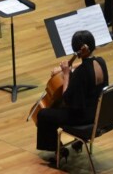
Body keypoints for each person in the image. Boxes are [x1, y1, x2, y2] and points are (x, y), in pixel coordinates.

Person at [36, 30, 108, 162]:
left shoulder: (80, 74)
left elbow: (67, 98)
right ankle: (78, 143)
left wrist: (67, 74)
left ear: (81, 51)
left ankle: (59, 151)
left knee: (44, 115)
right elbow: (86, 64)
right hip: (101, 114)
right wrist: (70, 67)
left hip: (84, 118)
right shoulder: (101, 62)